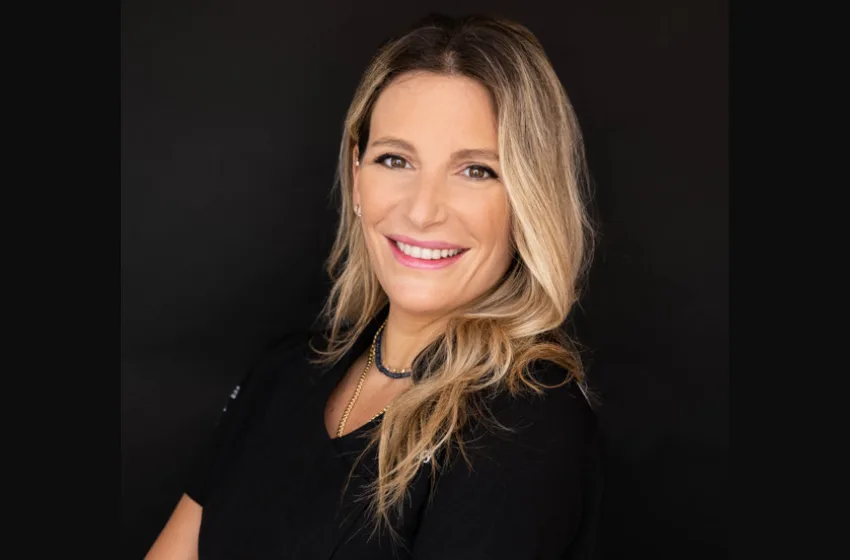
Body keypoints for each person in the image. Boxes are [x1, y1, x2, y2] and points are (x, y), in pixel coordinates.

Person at [145, 13, 601, 560]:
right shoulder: (283, 374)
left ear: (528, 199)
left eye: (476, 170)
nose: (422, 210)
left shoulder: (525, 424)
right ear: (357, 176)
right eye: (395, 159)